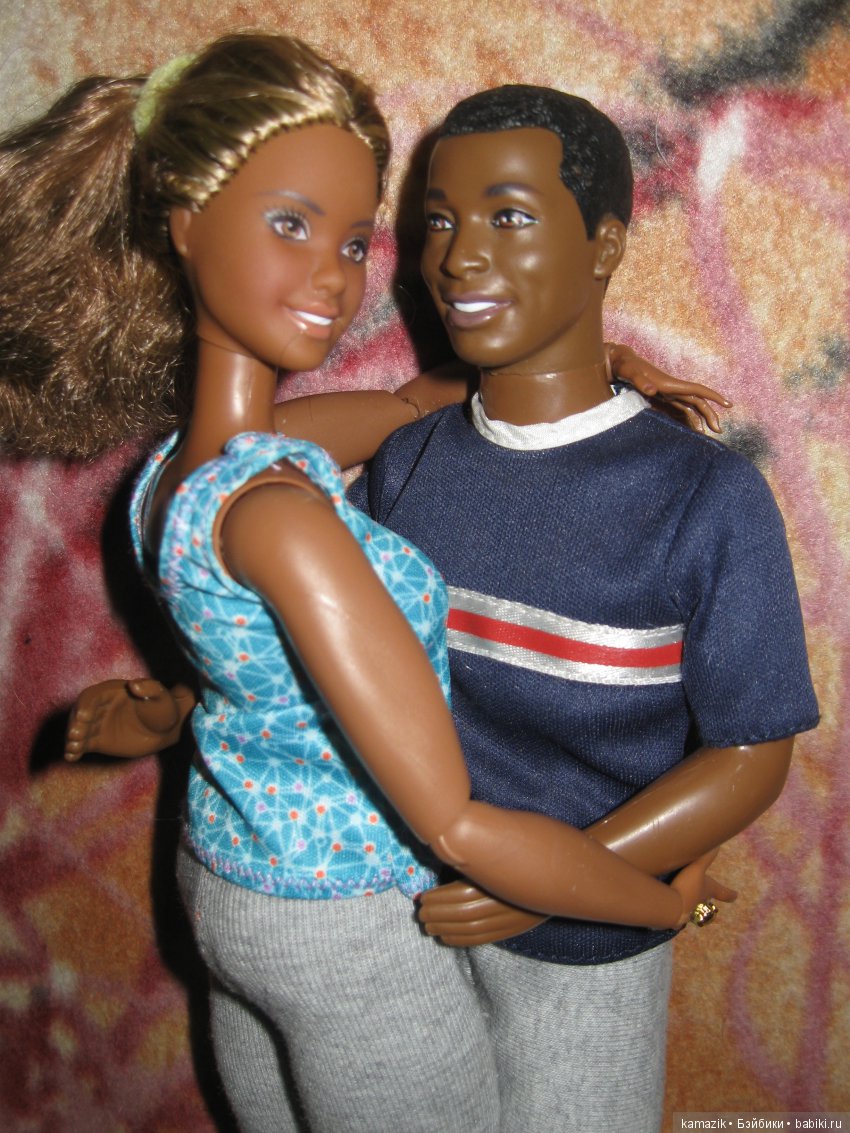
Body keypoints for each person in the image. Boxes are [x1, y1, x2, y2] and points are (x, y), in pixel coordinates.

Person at [1, 37, 732, 1133]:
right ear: (183, 223)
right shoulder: (281, 519)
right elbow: (455, 819)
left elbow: (400, 413)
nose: (335, 280)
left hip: (225, 874)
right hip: (341, 916)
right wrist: (658, 904)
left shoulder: (177, 476)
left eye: (353, 242)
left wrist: (596, 367)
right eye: (290, 225)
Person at [348, 86, 820, 1131]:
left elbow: (750, 752)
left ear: (603, 246)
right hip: (395, 914)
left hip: (586, 948)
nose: (459, 256)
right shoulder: (406, 464)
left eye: (509, 215)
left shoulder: (700, 496)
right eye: (440, 220)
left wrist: (557, 879)